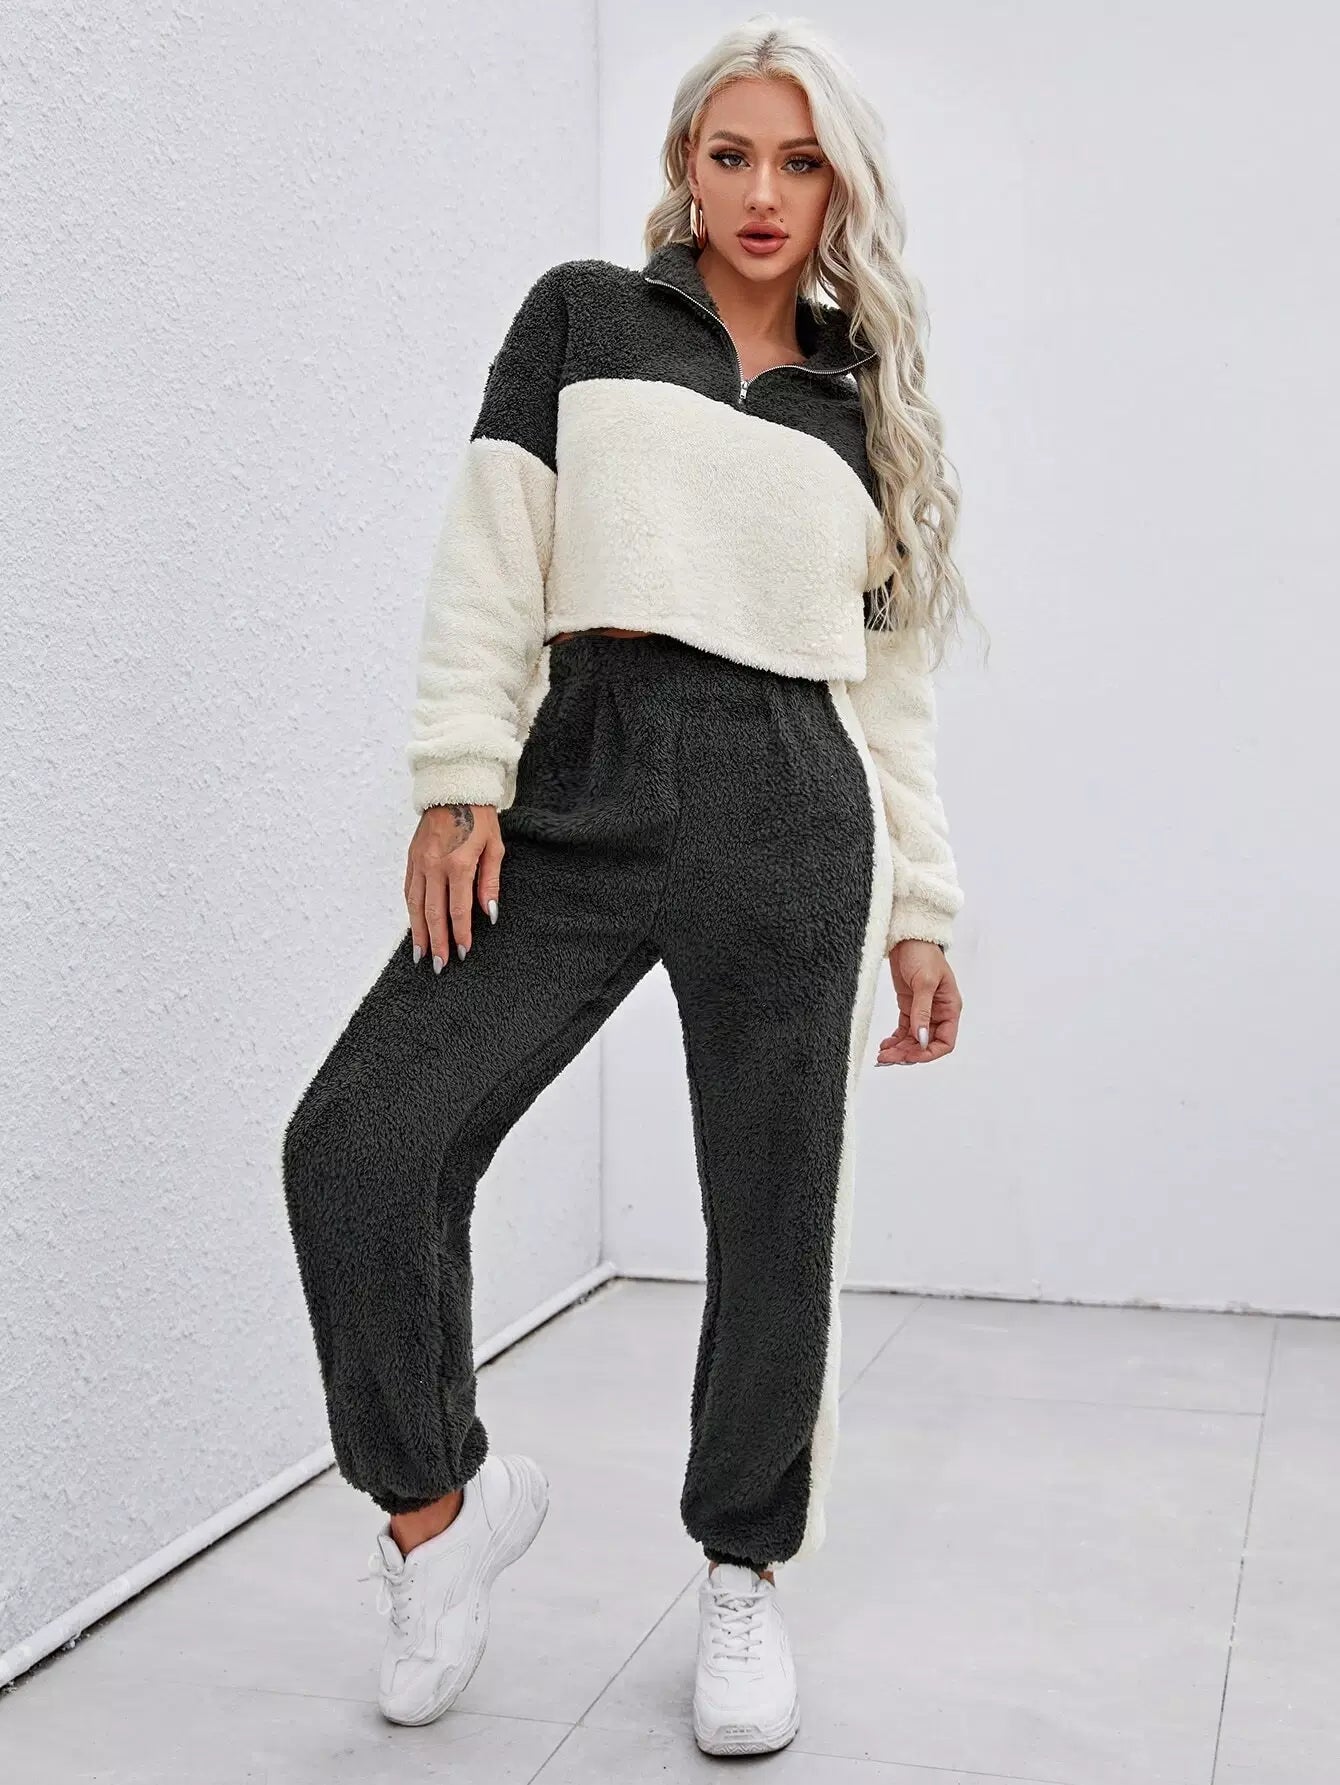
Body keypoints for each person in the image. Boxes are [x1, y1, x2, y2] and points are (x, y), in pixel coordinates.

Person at [281, 13, 983, 1758]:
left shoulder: (863, 410)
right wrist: (460, 780)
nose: (763, 193)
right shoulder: (584, 319)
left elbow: (891, 697)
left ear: (842, 189)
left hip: (792, 806)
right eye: (731, 154)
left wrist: (923, 908)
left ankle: (742, 1568)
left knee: (774, 1214)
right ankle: (437, 1519)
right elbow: (490, 556)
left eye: (800, 162)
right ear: (686, 165)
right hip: (581, 776)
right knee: (362, 1138)